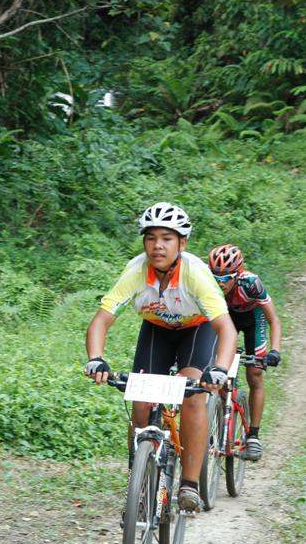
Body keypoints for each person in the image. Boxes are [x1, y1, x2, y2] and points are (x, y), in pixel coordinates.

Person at [85, 202, 238, 512]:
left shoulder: (195, 273)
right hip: (156, 331)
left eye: (167, 238)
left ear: (182, 243)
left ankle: (189, 485)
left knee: (192, 396)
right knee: (141, 403)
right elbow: (100, 321)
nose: (157, 246)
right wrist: (96, 358)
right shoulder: (136, 271)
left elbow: (227, 329)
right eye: (151, 238)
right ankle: (139, 478)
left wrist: (220, 369)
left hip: (197, 330)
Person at [207, 244, 282, 462]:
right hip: (225, 317)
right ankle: (215, 413)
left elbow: (273, 319)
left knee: (254, 374)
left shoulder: (251, 283)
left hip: (253, 320)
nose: (220, 283)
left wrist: (275, 351)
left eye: (225, 278)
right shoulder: (206, 281)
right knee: (213, 367)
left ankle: (254, 436)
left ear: (238, 274)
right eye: (216, 277)